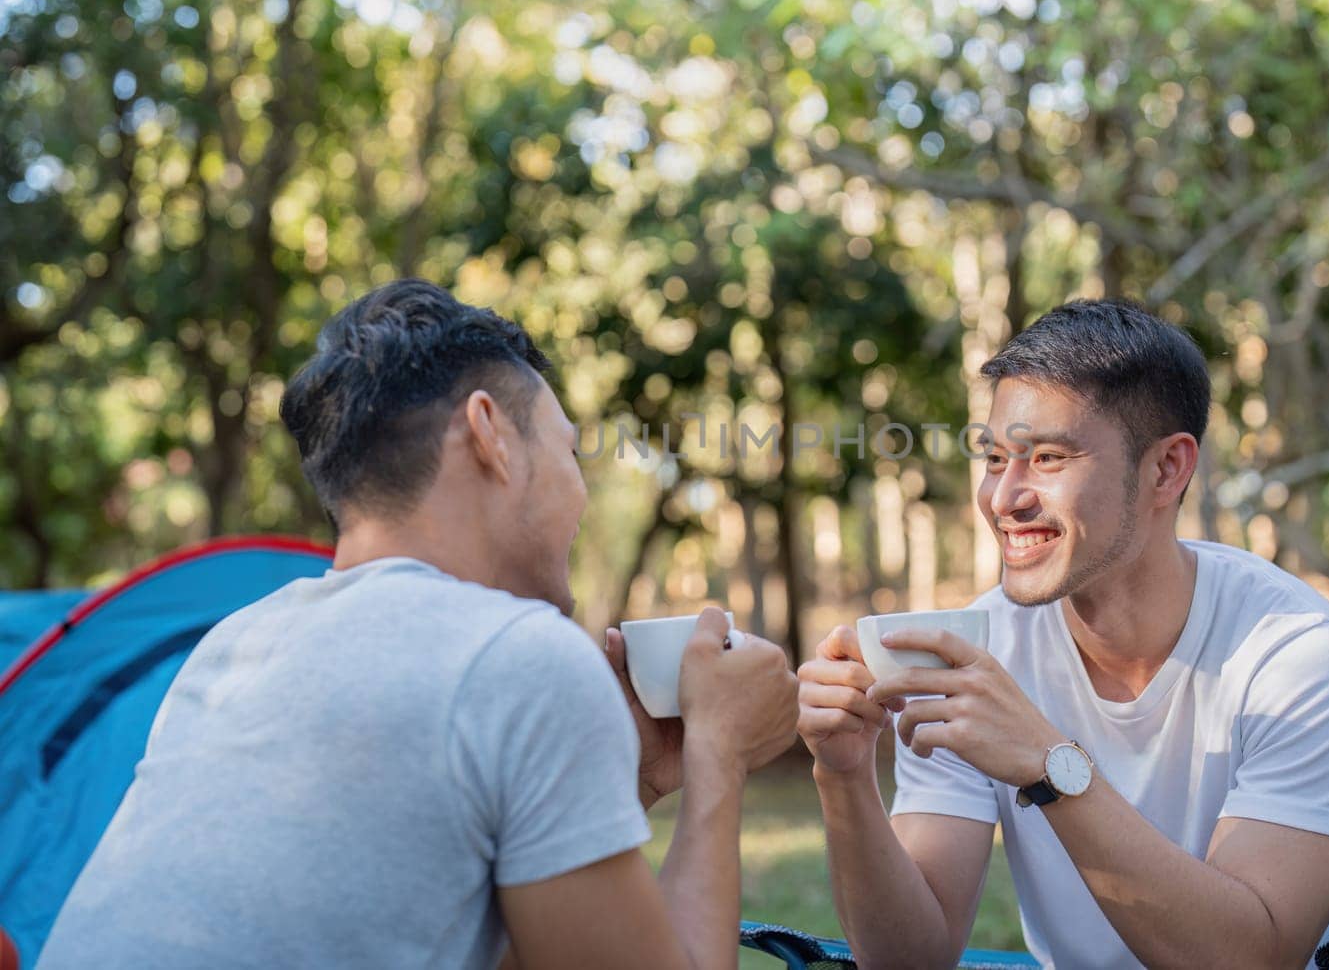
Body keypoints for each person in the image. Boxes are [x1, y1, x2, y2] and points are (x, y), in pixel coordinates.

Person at [39, 279, 799, 970]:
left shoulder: (235, 644)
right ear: (489, 432)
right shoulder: (520, 656)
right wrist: (718, 754)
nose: (581, 494)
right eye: (569, 451)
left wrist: (629, 784)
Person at [799, 299, 1329, 970]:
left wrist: (1050, 767)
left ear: (1166, 469)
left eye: (1047, 457)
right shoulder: (978, 651)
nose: (1003, 497)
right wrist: (842, 775)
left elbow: (1251, 956)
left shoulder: (1301, 656)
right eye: (995, 458)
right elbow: (911, 958)